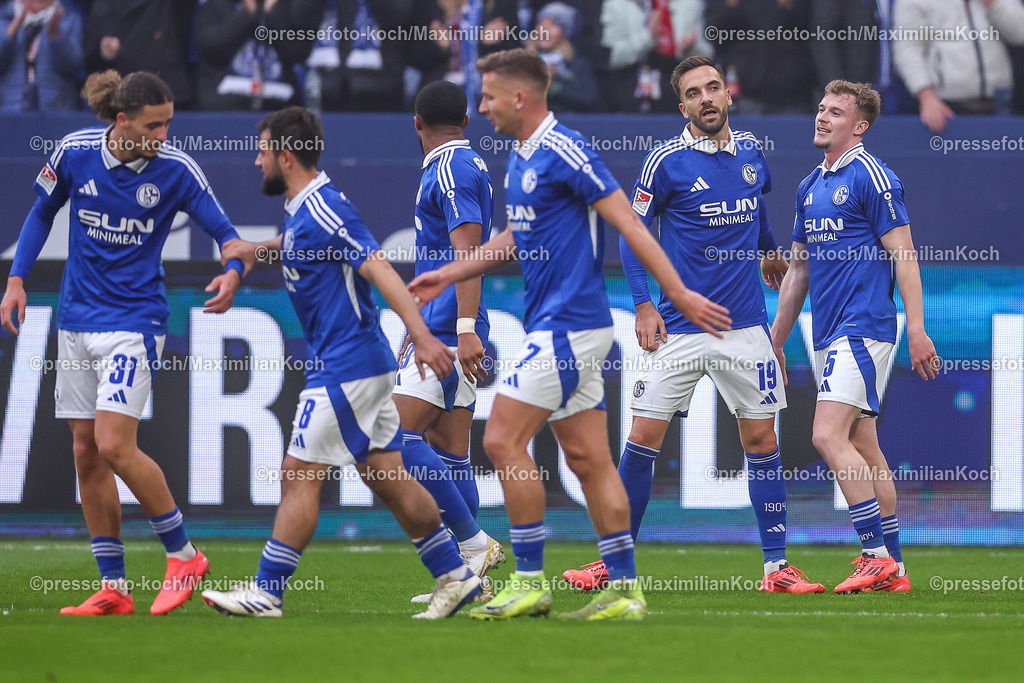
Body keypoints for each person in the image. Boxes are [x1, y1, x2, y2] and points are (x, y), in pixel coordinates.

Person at [409, 48, 731, 621]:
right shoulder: (520, 156)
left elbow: (629, 221)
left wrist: (677, 294)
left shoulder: (565, 148)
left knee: (501, 440)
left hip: (569, 326)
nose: (481, 107)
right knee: (590, 461)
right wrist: (450, 273)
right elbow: (514, 238)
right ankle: (625, 589)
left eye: (488, 95)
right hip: (564, 327)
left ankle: (529, 580)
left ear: (519, 97)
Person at [201, 106, 481, 619]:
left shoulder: (326, 208)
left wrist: (422, 336)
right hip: (357, 365)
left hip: (346, 367)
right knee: (387, 476)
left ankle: (267, 591)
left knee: (298, 473)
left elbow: (379, 268)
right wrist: (251, 256)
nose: (257, 161)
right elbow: (296, 247)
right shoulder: (306, 210)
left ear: (286, 157)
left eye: (263, 151)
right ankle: (456, 576)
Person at [561, 55, 824, 595]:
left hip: (745, 328)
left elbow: (756, 208)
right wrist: (643, 305)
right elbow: (633, 234)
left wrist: (769, 250)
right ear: (682, 107)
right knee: (641, 439)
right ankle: (612, 562)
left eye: (712, 87)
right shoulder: (664, 162)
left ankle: (776, 569)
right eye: (693, 93)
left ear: (728, 94)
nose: (706, 98)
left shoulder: (751, 152)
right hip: (677, 329)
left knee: (761, 439)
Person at [0, 70, 246, 616]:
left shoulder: (177, 170)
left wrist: (232, 272)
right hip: (75, 320)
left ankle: (184, 557)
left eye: (168, 124)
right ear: (121, 121)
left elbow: (227, 235)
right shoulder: (74, 152)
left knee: (113, 444)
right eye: (153, 126)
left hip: (134, 323)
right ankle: (114, 587)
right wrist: (16, 279)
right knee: (85, 452)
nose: (163, 135)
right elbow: (42, 212)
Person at [771, 80, 939, 593]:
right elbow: (798, 272)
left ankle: (873, 557)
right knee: (864, 446)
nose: (822, 117)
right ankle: (895, 569)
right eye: (821, 108)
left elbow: (904, 255)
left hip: (864, 327)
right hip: (828, 333)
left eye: (836, 112)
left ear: (860, 126)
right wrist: (775, 341)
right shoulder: (809, 186)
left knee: (826, 435)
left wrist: (916, 327)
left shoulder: (873, 176)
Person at [397, 79, 504, 604]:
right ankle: (469, 582)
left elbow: (469, 255)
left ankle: (473, 543)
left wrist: (461, 331)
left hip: (448, 328)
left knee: (393, 438)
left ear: (417, 124)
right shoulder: (469, 163)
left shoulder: (449, 168)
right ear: (465, 121)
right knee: (449, 449)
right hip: (444, 323)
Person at [0, 0, 85, 112]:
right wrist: (8, 36)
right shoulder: (3, 19)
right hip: (8, 113)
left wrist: (56, 39)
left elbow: (73, 67)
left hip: (56, 112)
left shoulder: (69, 19)